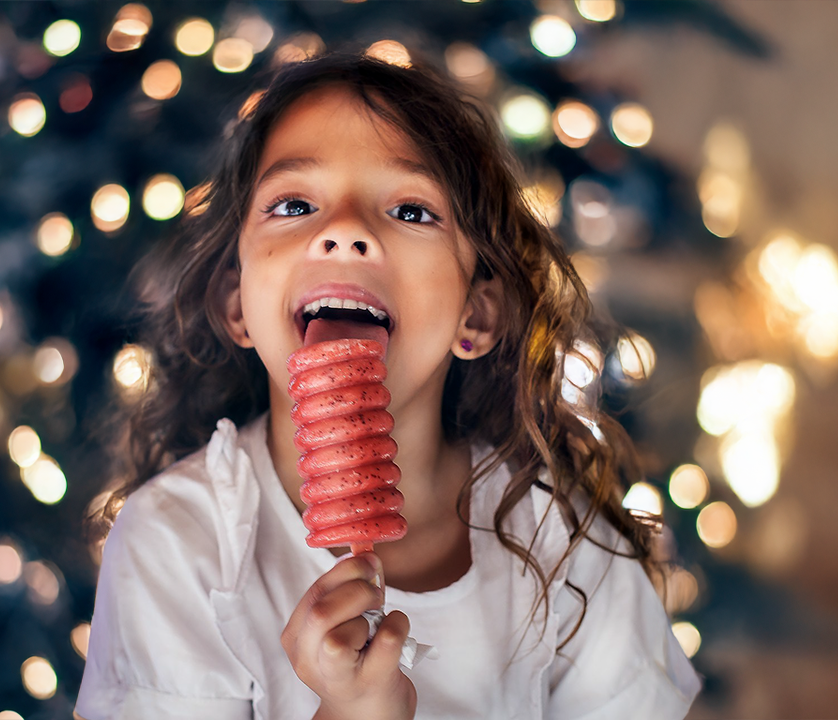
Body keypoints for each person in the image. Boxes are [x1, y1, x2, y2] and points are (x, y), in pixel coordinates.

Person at [74, 51, 701, 720]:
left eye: (409, 210)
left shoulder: (568, 547)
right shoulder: (179, 544)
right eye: (294, 204)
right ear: (236, 304)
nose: (345, 231)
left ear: (476, 314)